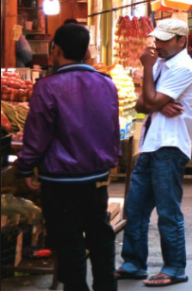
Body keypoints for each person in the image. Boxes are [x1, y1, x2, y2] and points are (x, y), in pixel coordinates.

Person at [16, 24, 120, 291]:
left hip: (60, 179)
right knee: (100, 234)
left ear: (56, 50)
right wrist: (111, 160)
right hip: (96, 176)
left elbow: (37, 135)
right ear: (86, 52)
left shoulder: (47, 87)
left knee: (69, 239)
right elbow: (112, 127)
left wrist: (26, 169)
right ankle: (106, 286)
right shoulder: (106, 83)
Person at [117, 19, 192, 286]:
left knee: (168, 211)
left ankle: (175, 267)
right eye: (157, 39)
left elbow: (150, 100)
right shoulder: (163, 65)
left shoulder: (184, 68)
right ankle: (133, 262)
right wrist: (157, 103)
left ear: (181, 41)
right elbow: (142, 104)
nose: (158, 45)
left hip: (170, 146)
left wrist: (148, 76)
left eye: (165, 40)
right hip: (151, 144)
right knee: (135, 208)